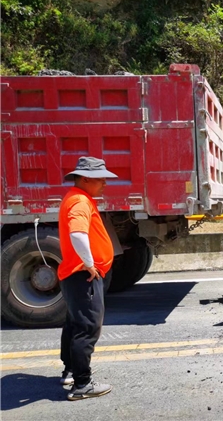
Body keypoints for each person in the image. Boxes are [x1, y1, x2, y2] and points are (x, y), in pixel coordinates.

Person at [58, 156, 118, 401]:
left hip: (74, 274)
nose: (105, 183)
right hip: (82, 274)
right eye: (100, 178)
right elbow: (78, 234)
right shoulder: (80, 202)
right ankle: (82, 384)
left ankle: (70, 371)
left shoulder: (76, 197)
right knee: (87, 328)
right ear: (84, 179)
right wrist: (90, 263)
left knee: (74, 324)